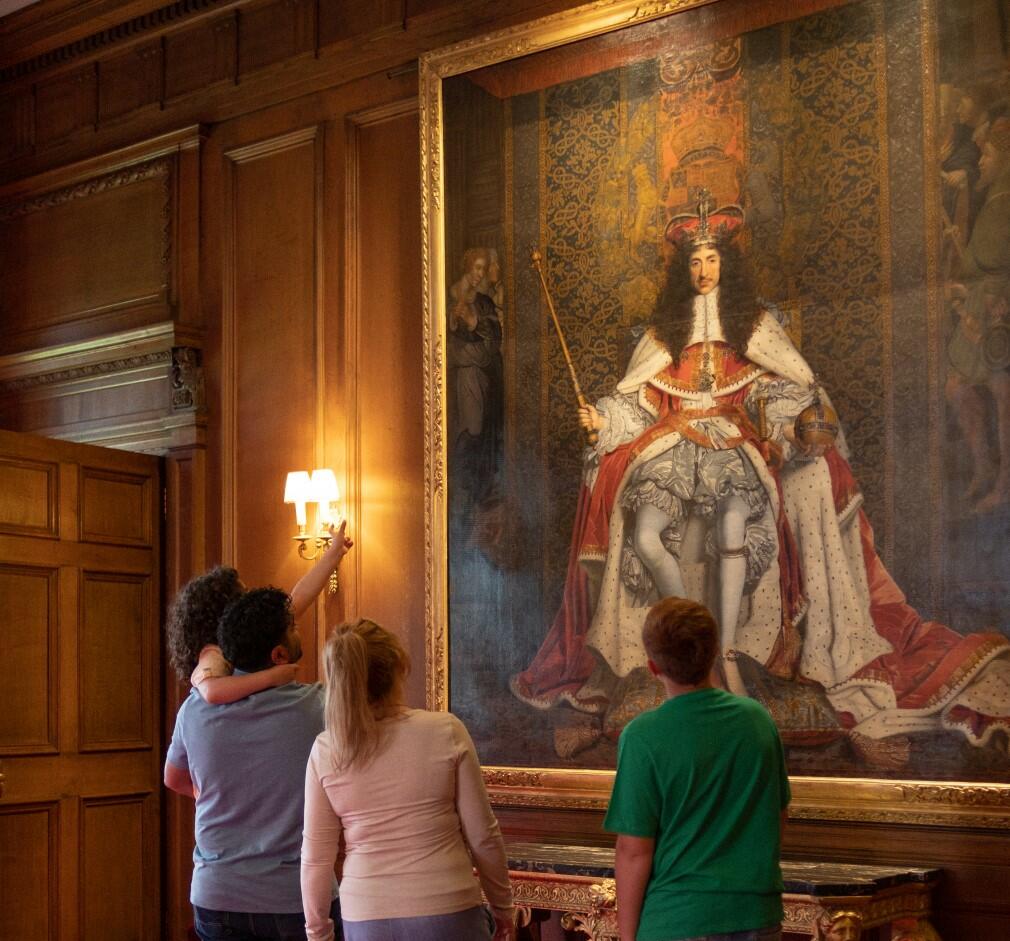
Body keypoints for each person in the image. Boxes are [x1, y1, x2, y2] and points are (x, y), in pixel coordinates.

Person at [512, 189, 1010, 766]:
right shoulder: (661, 337)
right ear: (684, 269)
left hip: (732, 443)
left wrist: (793, 426)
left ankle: (723, 656)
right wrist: (603, 418)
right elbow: (639, 403)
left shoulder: (756, 327)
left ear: (728, 264)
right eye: (695, 261)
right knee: (644, 529)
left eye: (713, 259)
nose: (703, 270)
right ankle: (684, 651)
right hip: (668, 446)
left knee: (731, 525)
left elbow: (784, 393)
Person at [164, 528, 352, 941]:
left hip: (217, 894)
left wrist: (220, 792)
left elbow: (174, 778)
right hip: (292, 898)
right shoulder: (313, 704)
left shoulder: (193, 711)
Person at [300, 618, 515, 941]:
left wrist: (318, 934)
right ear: (399, 668)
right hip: (449, 906)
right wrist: (503, 908)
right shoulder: (445, 731)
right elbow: (483, 836)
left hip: (367, 914)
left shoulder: (326, 750)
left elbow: (316, 860)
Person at [605, 596, 789, 941]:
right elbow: (777, 815)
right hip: (755, 915)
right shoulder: (757, 721)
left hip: (677, 918)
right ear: (714, 652)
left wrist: (627, 937)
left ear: (653, 667)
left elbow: (634, 850)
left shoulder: (643, 736)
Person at [166, 522, 352, 703]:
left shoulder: (252, 633)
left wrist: (333, 555)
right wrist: (271, 677)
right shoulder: (213, 654)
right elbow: (211, 691)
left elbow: (297, 599)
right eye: (245, 595)